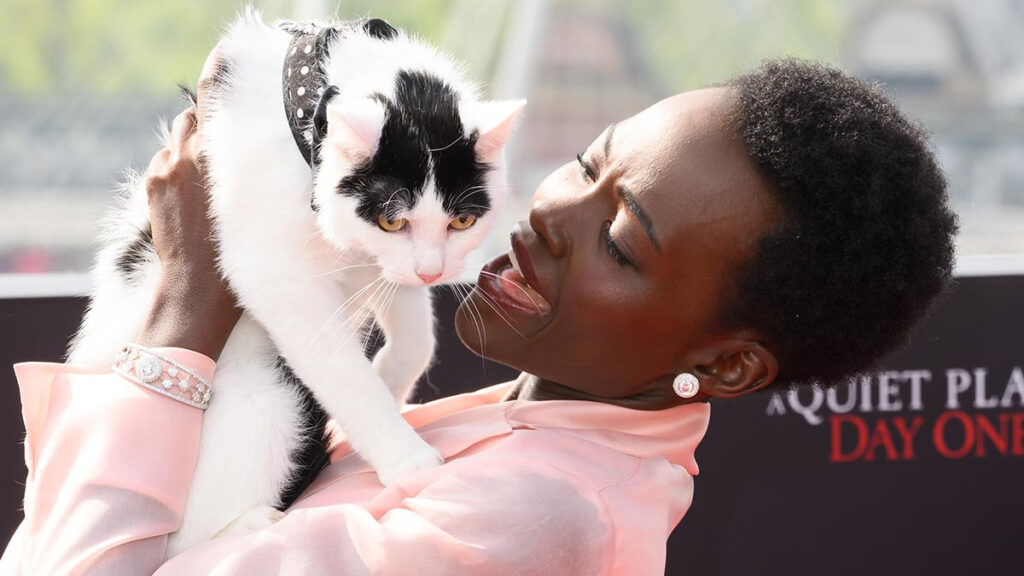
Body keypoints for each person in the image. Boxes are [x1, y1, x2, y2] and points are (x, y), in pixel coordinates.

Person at [0, 58, 957, 575]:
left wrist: (185, 307)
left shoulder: (533, 520)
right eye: (588, 164)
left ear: (729, 362)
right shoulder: (537, 428)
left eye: (620, 241)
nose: (549, 213)